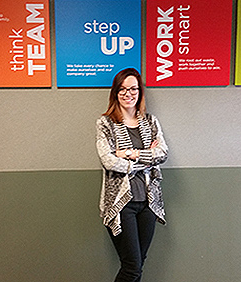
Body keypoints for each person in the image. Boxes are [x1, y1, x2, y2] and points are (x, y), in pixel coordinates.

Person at [96, 67, 168, 282]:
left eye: (133, 89)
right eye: (123, 89)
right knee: (132, 267)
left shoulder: (151, 122)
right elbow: (108, 161)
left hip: (148, 202)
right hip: (121, 203)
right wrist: (146, 156)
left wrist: (128, 153)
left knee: (139, 262)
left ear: (140, 92)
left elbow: (162, 153)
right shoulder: (105, 123)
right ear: (115, 92)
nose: (128, 94)